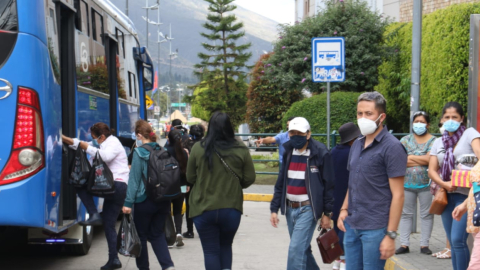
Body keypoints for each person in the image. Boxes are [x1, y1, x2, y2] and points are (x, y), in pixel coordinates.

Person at [337, 91, 407, 270]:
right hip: (352, 224)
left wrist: (391, 235)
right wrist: (344, 209)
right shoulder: (357, 144)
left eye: (369, 114)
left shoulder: (392, 147)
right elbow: (352, 182)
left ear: (381, 116)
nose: (363, 118)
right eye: (360, 114)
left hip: (375, 228)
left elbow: (398, 195)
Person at [186, 112, 256, 270]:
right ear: (229, 128)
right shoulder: (240, 148)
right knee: (226, 246)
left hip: (203, 208)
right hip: (231, 208)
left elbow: (190, 177)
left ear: (210, 128)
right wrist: (236, 185)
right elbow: (250, 177)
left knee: (210, 250)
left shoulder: (198, 148)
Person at [270, 117, 335, 270]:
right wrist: (274, 209)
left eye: (299, 133)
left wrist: (327, 212)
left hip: (308, 209)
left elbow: (329, 185)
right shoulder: (287, 151)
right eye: (292, 133)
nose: (295, 136)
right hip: (290, 208)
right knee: (302, 249)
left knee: (295, 250)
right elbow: (281, 181)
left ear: (308, 134)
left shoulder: (320, 152)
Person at [62, 122, 129, 270]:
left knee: (79, 184)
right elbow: (80, 143)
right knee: (109, 225)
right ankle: (114, 260)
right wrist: (63, 138)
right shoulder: (105, 142)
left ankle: (93, 213)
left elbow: (104, 157)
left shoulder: (113, 143)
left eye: (95, 138)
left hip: (115, 186)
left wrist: (88, 148)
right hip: (112, 186)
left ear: (102, 136)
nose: (93, 140)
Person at [428, 101, 480, 270]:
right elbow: (432, 170)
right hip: (446, 196)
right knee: (452, 240)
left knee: (458, 239)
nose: (450, 120)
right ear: (442, 119)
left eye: (454, 117)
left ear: (462, 118)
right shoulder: (438, 142)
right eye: (447, 117)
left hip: (466, 196)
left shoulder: (469, 134)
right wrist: (445, 183)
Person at [122, 120, 175, 270]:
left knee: (142, 236)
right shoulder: (162, 150)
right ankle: (168, 266)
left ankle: (144, 268)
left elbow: (134, 180)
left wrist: (127, 203)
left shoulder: (139, 152)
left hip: (144, 201)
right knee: (157, 234)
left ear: (139, 135)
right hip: (163, 199)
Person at [395, 111, 436, 256]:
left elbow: (431, 160)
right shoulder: (405, 140)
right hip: (406, 185)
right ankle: (404, 244)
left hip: (427, 185)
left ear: (428, 124)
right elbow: (400, 160)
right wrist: (422, 158)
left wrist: (411, 157)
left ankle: (425, 244)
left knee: (427, 214)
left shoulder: (434, 141)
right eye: (416, 121)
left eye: (422, 121)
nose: (418, 124)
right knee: (406, 214)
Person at [330, 122, 361, 270]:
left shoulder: (333, 152)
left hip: (334, 197)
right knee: (346, 231)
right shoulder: (353, 153)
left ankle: (337, 260)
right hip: (347, 199)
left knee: (337, 227)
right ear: (352, 139)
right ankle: (344, 261)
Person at [164, 129, 189, 248]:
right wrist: (186, 185)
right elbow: (186, 170)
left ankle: (169, 237)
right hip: (182, 186)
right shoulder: (184, 152)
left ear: (168, 139)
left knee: (167, 211)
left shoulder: (165, 152)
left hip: (168, 186)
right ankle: (179, 232)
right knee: (178, 210)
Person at [183, 124, 205, 239]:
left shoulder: (186, 144)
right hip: (204, 178)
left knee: (189, 204)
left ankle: (190, 231)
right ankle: (204, 230)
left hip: (188, 179)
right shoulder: (207, 144)